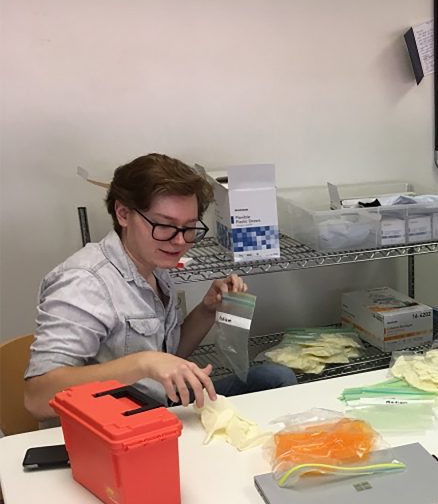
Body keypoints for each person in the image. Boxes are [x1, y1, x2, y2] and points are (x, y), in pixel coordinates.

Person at [24, 153, 297, 421]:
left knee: (275, 377)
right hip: (118, 427)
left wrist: (207, 309)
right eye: (165, 226)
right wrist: (142, 363)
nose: (179, 242)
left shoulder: (153, 264)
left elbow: (171, 358)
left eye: (189, 228)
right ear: (123, 214)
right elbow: (37, 396)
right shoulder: (85, 282)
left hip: (159, 404)